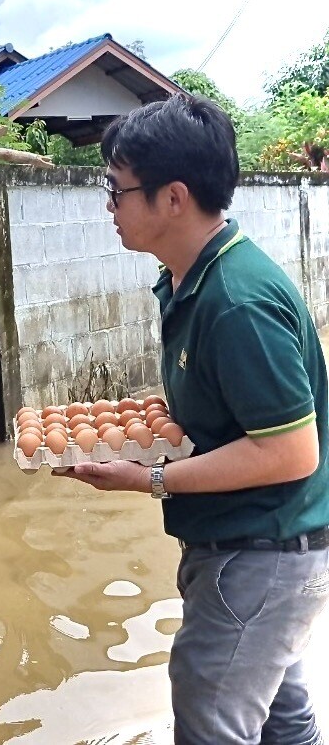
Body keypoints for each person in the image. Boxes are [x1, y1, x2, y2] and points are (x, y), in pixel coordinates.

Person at [60, 94, 329, 744]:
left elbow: (293, 452)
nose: (109, 205)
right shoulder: (187, 279)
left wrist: (149, 477)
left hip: (263, 552)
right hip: (255, 548)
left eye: (117, 189)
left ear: (173, 197)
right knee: (281, 719)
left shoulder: (235, 300)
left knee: (212, 721)